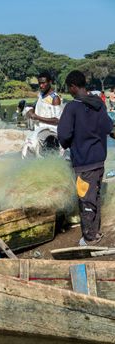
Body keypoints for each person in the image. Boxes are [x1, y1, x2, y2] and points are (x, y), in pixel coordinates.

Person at [57, 70, 113, 246]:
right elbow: (108, 128)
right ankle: (95, 232)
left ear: (73, 87)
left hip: (84, 163)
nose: (69, 91)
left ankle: (89, 238)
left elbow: (64, 135)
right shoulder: (99, 104)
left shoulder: (72, 107)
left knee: (85, 199)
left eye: (69, 88)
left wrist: (68, 143)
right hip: (99, 160)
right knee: (94, 195)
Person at [22, 72, 63, 157]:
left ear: (50, 82)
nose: (41, 85)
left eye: (44, 83)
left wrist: (37, 117)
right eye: (40, 83)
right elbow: (35, 106)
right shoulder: (41, 95)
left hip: (50, 133)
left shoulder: (55, 98)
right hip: (39, 130)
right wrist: (30, 111)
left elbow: (57, 120)